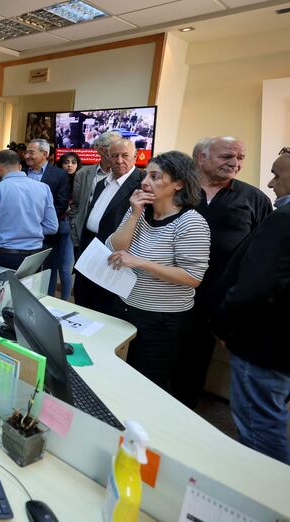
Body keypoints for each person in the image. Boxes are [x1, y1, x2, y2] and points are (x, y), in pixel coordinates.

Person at [175, 136, 273, 408]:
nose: (235, 163)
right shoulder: (178, 191)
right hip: (168, 292)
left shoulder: (254, 199)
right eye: (227, 156)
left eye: (240, 158)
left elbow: (261, 257)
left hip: (216, 302)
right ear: (201, 158)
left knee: (195, 362)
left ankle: (184, 413)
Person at [107, 151, 210, 394]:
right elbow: (115, 247)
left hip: (161, 319)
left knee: (147, 384)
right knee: (116, 373)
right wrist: (134, 214)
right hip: (125, 305)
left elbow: (192, 278)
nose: (145, 182)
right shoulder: (141, 211)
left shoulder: (191, 223)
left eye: (155, 177)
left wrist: (141, 262)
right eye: (146, 176)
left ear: (179, 184)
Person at [211, 147, 290, 464]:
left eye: (277, 174)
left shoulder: (282, 220)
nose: (270, 184)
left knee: (260, 429)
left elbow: (252, 288)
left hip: (263, 345)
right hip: (281, 347)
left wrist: (223, 325)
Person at [74, 138, 145, 315]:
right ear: (107, 156)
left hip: (114, 258)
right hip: (89, 251)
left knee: (103, 310)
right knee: (82, 303)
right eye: (114, 155)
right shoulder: (101, 183)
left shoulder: (142, 184)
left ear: (135, 156)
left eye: (125, 155)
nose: (119, 160)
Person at [0, 150, 58, 269]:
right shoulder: (43, 188)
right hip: (35, 256)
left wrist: (3, 231)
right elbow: (52, 227)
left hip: (5, 255)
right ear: (19, 167)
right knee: (30, 288)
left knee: (4, 288)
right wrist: (30, 230)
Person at [69, 131, 122, 247]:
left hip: (113, 237)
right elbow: (76, 205)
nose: (120, 152)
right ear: (102, 151)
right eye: (116, 148)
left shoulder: (124, 175)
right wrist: (74, 225)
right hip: (85, 235)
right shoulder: (83, 173)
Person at [48, 152, 80, 299]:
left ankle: (65, 301)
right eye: (66, 162)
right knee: (52, 267)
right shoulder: (55, 179)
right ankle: (48, 299)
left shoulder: (80, 180)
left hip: (69, 227)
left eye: (73, 162)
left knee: (66, 268)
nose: (70, 165)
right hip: (53, 225)